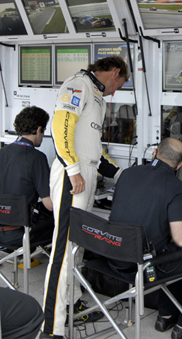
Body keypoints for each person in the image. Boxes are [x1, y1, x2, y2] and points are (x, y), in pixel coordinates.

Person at [41, 55, 129, 339]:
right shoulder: (78, 84)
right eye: (120, 84)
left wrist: (122, 176)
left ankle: (71, 302)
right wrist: (73, 169)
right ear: (114, 72)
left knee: (77, 246)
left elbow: (94, 150)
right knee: (62, 249)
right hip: (72, 176)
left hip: (85, 172)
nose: (116, 91)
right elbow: (60, 126)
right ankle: (51, 328)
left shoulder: (96, 96)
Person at [109, 137, 182, 339]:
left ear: (154, 153)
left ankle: (166, 315)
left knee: (172, 251)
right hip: (142, 268)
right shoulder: (175, 187)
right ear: (179, 165)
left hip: (114, 256)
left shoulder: (127, 174)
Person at [0, 106, 53, 249]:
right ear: (38, 130)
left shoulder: (2, 152)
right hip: (20, 235)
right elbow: (50, 204)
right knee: (64, 222)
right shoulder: (37, 158)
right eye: (43, 131)